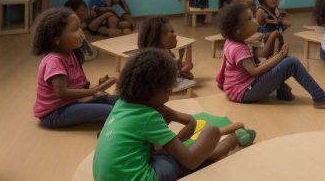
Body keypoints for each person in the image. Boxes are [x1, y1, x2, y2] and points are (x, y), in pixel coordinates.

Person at [93, 48, 250, 181]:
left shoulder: (122, 104)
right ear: (159, 91)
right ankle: (228, 144)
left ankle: (224, 145)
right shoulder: (148, 117)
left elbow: (189, 123)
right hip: (144, 177)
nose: (170, 93)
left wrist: (170, 113)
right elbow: (191, 160)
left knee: (167, 148)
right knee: (211, 131)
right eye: (169, 89)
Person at [215, 3, 325, 108]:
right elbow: (254, 71)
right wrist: (279, 56)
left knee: (284, 62)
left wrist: (278, 54)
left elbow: (261, 56)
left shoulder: (234, 41)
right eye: (249, 19)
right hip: (244, 92)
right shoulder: (238, 49)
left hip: (242, 88)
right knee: (292, 62)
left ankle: (283, 92)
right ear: (238, 31)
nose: (255, 20)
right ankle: (320, 98)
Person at [31, 7, 117, 128]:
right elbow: (61, 92)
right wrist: (94, 91)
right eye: (75, 29)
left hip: (72, 102)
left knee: (118, 102)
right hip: (55, 112)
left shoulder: (71, 52)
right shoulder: (54, 61)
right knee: (113, 111)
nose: (81, 32)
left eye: (80, 26)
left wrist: (95, 89)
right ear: (56, 39)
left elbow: (77, 84)